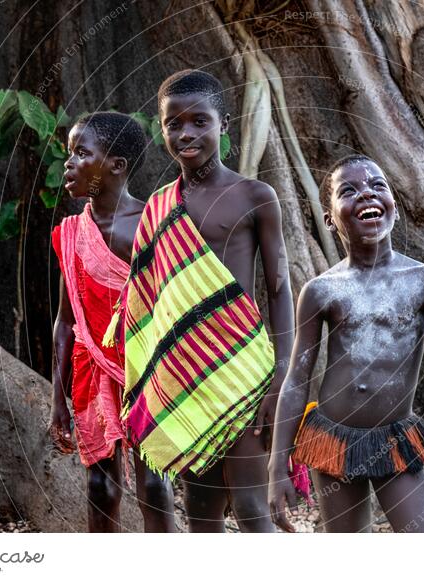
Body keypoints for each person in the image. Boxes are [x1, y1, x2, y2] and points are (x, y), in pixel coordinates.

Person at [118, 70, 294, 532]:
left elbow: (278, 289)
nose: (186, 133)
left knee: (254, 510)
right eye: (174, 124)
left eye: (200, 121)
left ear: (225, 125)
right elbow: (147, 303)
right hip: (184, 378)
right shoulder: (157, 207)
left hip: (244, 373)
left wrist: (281, 376)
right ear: (162, 130)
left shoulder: (256, 197)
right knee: (201, 514)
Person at [267, 155, 424, 533]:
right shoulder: (321, 291)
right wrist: (277, 465)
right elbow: (297, 378)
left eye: (378, 186)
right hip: (333, 442)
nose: (366, 194)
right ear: (330, 219)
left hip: (395, 438)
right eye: (349, 190)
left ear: (394, 205)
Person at [48, 111, 176, 533]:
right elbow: (67, 322)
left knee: (154, 483)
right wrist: (57, 403)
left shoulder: (151, 225)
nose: (68, 164)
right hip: (89, 373)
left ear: (117, 166)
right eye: (69, 153)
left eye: (81, 153)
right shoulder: (73, 232)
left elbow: (172, 309)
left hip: (148, 373)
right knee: (100, 486)